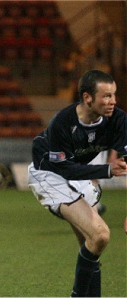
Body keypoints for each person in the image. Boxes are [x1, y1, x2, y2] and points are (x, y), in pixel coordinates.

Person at [28, 69, 127, 297]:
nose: (113, 101)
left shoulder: (118, 119)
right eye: (106, 96)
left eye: (114, 95)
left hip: (77, 174)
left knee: (91, 242)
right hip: (49, 174)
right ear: (87, 98)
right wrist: (107, 170)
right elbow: (63, 168)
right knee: (100, 234)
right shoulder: (63, 122)